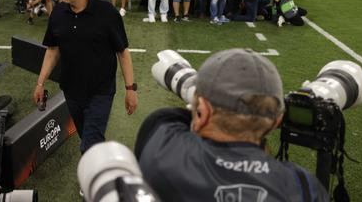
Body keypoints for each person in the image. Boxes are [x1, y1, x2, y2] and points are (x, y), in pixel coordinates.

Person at [135, 48, 329, 202]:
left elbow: (172, 118)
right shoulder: (302, 186)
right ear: (276, 122)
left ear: (202, 112)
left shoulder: (163, 148)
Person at [32, 0, 137, 156]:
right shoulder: (57, 14)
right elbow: (53, 50)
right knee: (87, 137)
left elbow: (122, 51)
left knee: (90, 143)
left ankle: (92, 184)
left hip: (101, 91)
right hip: (71, 90)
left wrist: (130, 89)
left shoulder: (107, 13)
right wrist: (40, 83)